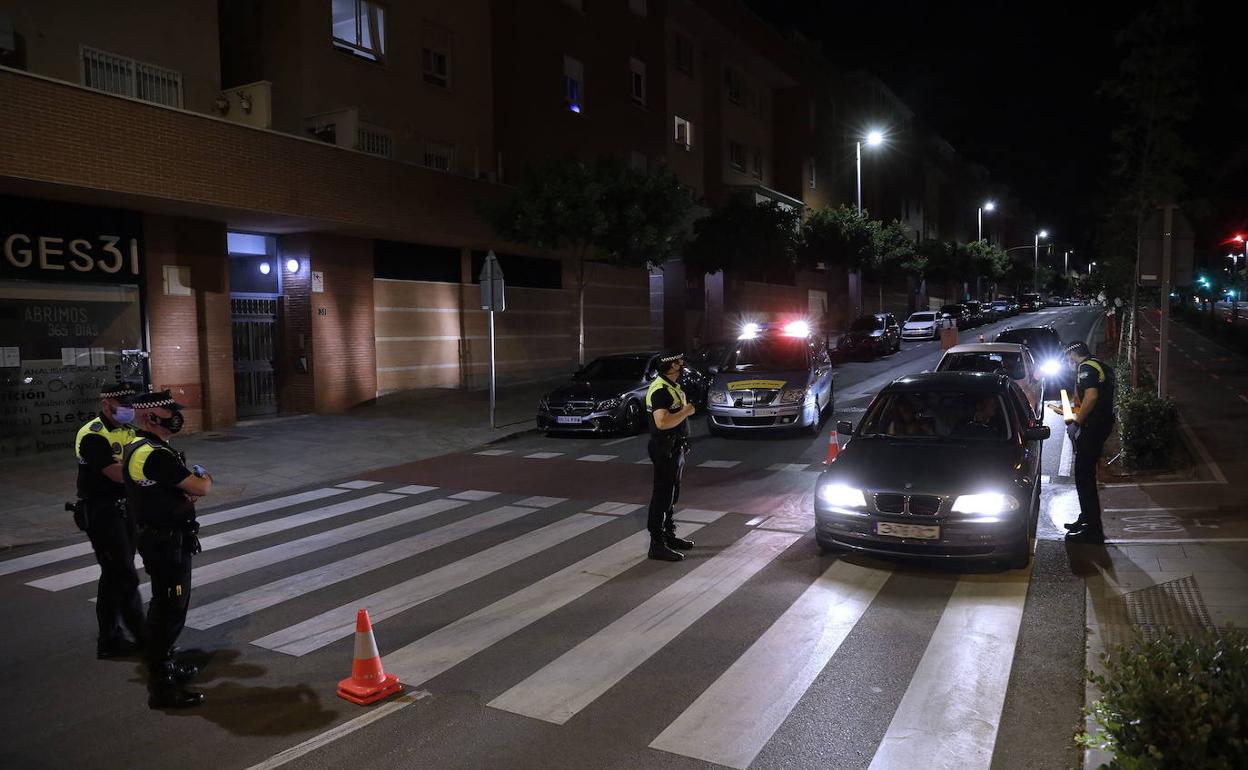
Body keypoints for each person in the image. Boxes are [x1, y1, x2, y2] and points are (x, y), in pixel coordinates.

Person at [123, 390, 213, 709]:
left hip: (162, 537)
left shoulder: (145, 446)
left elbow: (161, 490)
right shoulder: (154, 453)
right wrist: (203, 479)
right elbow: (200, 486)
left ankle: (166, 665)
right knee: (169, 611)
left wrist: (179, 496)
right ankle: (161, 688)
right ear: (149, 417)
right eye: (168, 411)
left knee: (166, 606)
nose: (175, 416)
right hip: (165, 542)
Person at [72, 381, 145, 659]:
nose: (128, 409)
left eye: (130, 404)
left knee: (115, 574)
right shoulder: (91, 435)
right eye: (123, 404)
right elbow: (116, 473)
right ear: (107, 405)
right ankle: (133, 637)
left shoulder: (127, 431)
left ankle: (112, 636)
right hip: (102, 512)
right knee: (122, 575)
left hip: (125, 510)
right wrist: (154, 477)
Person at [645, 352, 696, 562]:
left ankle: (668, 535)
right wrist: (687, 411)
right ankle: (656, 544)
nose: (682, 364)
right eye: (678, 361)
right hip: (663, 448)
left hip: (675, 448)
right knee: (662, 496)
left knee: (672, 494)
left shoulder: (673, 386)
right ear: (670, 367)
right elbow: (662, 423)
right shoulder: (660, 390)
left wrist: (685, 441)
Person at [1063, 341, 1116, 544]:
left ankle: (1093, 530)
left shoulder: (1085, 368)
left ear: (1072, 355)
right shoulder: (1099, 365)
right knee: (1086, 475)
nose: (1068, 363)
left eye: (1068, 359)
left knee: (1083, 476)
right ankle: (1086, 518)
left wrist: (1076, 422)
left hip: (1093, 427)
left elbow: (1091, 397)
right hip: (1101, 425)